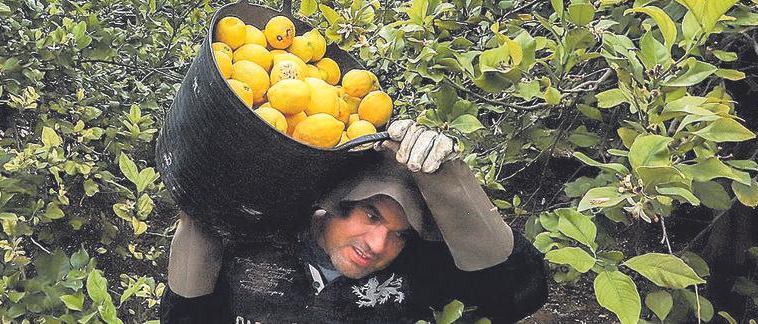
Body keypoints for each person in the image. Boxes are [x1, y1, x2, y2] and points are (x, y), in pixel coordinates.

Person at [160, 119, 549, 323]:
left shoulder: (420, 270)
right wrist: (202, 205)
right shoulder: (255, 240)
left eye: (400, 234)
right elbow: (185, 314)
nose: (378, 245)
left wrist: (449, 183)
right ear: (335, 203)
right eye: (371, 215)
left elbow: (519, 292)